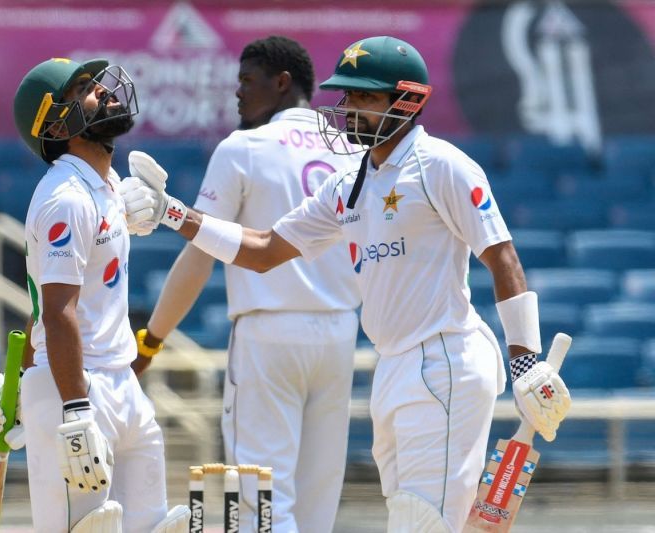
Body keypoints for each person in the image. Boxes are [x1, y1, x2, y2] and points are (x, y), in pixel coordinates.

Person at [121, 36, 572, 532]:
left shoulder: (441, 165)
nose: (350, 110)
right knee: (411, 516)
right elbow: (264, 250)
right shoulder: (349, 181)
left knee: (424, 523)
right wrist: (173, 213)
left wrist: (525, 359)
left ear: (407, 102)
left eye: (365, 98)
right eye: (347, 97)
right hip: (394, 364)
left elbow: (501, 255)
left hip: (447, 359)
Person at [131, 36, 361, 533]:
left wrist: (152, 339)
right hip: (341, 332)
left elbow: (200, 256)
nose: (237, 94)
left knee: (261, 502)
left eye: (246, 81)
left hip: (268, 334)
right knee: (317, 504)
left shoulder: (243, 148)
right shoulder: (351, 149)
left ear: (282, 83)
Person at [0, 57, 188, 533]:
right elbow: (57, 311)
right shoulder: (64, 197)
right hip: (78, 390)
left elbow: (48, 306)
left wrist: (13, 381)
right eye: (85, 89)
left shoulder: (107, 185)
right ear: (56, 122)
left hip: (121, 383)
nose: (106, 92)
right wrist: (73, 408)